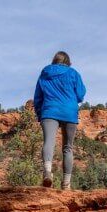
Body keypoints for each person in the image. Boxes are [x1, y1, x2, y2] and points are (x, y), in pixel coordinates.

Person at [33, 51, 86, 190]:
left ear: (54, 60)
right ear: (68, 62)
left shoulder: (45, 73)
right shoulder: (73, 73)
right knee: (68, 148)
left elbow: (38, 97)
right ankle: (66, 184)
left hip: (49, 110)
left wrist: (40, 114)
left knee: (48, 142)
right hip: (69, 112)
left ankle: (47, 172)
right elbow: (80, 94)